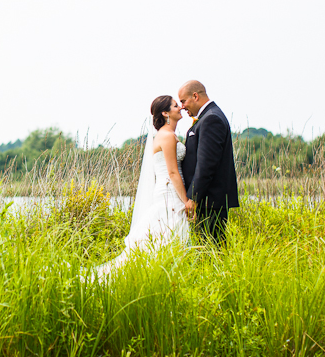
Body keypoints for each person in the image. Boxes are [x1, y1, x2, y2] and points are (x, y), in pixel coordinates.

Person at [93, 95, 190, 276]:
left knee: (167, 238)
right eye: (176, 106)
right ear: (165, 113)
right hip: (170, 193)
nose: (180, 108)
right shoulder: (167, 136)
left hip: (168, 190)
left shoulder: (166, 135)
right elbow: (173, 172)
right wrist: (186, 201)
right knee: (170, 235)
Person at [178, 80, 239, 245]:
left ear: (195, 96)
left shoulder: (211, 119)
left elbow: (207, 164)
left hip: (209, 200)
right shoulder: (208, 117)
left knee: (211, 249)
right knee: (207, 249)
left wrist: (194, 197)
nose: (182, 106)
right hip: (207, 200)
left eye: (183, 101)